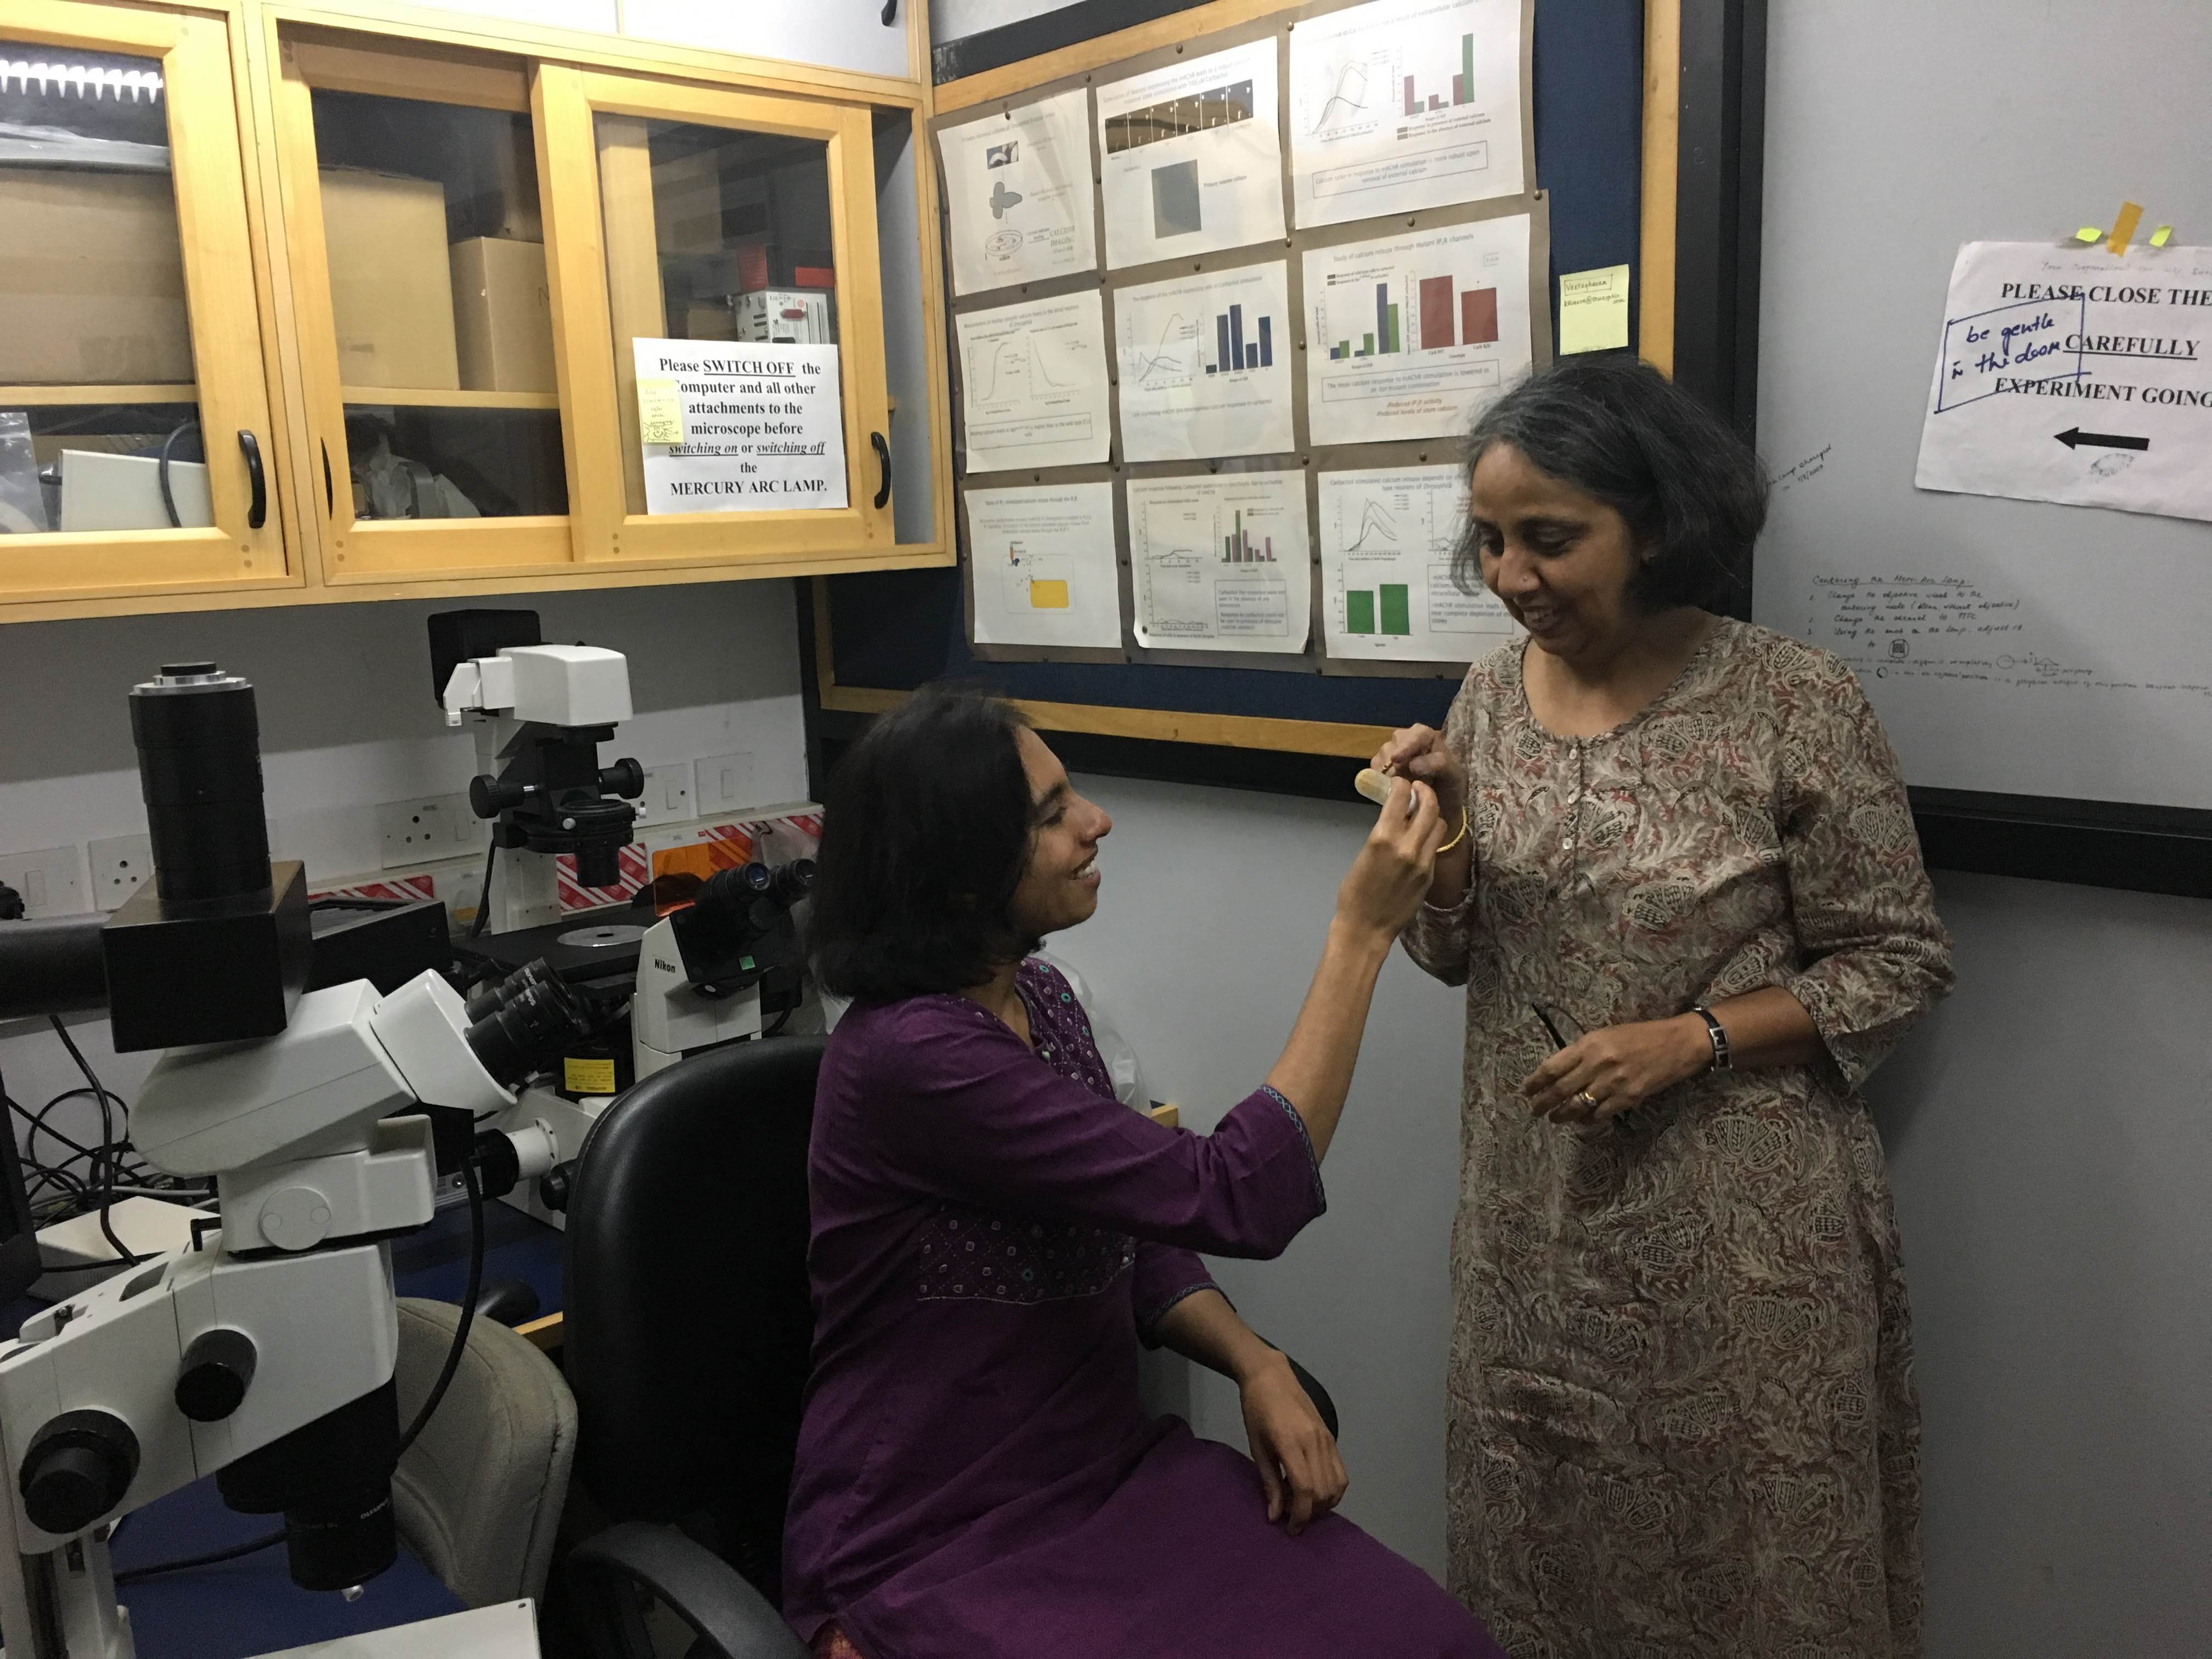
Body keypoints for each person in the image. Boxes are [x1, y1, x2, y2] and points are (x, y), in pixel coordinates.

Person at [1373, 355, 1955, 1657]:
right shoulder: (1484, 700)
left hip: (1744, 1243)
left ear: (1658, 522)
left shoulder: (1795, 701)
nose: (1512, 576)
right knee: (1545, 1558)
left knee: (1752, 1569)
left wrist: (1689, 1040)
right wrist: (1445, 832)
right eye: (1490, 542)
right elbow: (1455, 955)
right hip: (1534, 1236)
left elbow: (1897, 959)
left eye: (1551, 539)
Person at [788, 685, 1505, 1659]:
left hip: (1106, 1477)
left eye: (1071, 794)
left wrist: (1256, 1363)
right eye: (1051, 817)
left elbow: (1139, 1229)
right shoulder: (912, 1059)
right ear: (959, 881)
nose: (1097, 822)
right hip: (936, 1539)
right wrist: (1361, 934)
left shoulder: (1039, 998)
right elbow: (1238, 1193)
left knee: (1433, 1641)